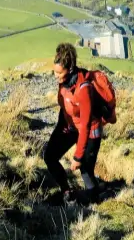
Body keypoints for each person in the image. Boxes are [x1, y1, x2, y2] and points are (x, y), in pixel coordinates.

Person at [44, 42, 103, 204]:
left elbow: (85, 126)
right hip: (70, 127)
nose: (55, 75)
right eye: (54, 71)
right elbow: (64, 108)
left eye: (58, 72)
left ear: (70, 69)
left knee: (85, 169)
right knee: (50, 156)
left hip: (90, 131)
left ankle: (95, 203)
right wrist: (59, 130)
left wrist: (77, 156)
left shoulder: (84, 89)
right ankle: (67, 191)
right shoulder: (63, 83)